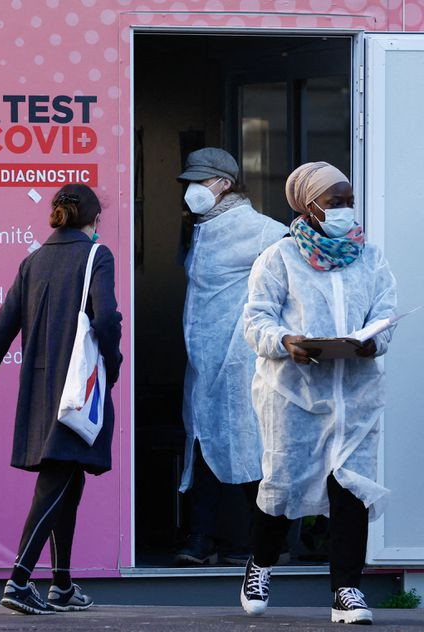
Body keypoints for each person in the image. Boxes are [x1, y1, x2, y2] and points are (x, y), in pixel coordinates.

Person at [240, 162, 397, 624]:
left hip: (355, 395)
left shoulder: (370, 257)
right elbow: (256, 320)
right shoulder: (279, 258)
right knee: (283, 484)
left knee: (351, 487)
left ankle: (346, 591)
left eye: (349, 200)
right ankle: (261, 563)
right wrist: (288, 342)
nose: (346, 209)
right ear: (308, 207)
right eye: (336, 202)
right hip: (293, 397)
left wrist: (373, 340)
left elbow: (384, 312)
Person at [0, 183, 122, 615]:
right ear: (93, 220)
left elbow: (0, 330)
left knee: (69, 480)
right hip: (77, 389)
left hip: (41, 390)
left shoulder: (32, 261)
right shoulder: (96, 256)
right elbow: (105, 318)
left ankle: (62, 585)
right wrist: (114, 361)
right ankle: (19, 579)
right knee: (58, 480)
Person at [175, 148, 288, 566]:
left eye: (201, 182)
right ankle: (202, 539)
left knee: (246, 445)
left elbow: (293, 270)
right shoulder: (199, 229)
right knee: (204, 440)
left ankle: (268, 541)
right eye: (191, 182)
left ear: (224, 183)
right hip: (203, 358)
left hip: (241, 358)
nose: (193, 191)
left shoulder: (261, 230)